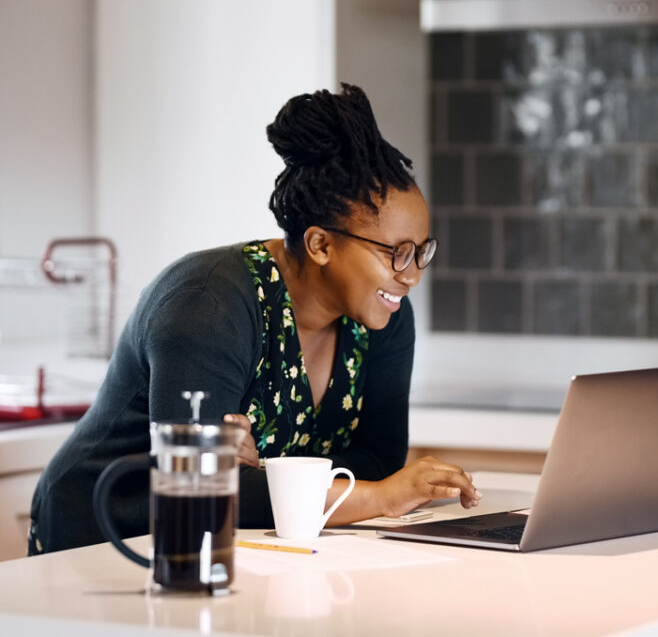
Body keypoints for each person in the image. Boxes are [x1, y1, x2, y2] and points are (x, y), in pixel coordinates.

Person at [28, 83, 481, 554]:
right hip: (103, 538)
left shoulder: (382, 315)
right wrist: (379, 498)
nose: (411, 277)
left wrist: (260, 470)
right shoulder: (208, 305)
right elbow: (198, 489)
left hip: (236, 549)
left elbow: (379, 457)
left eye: (421, 252)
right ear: (320, 244)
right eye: (396, 254)